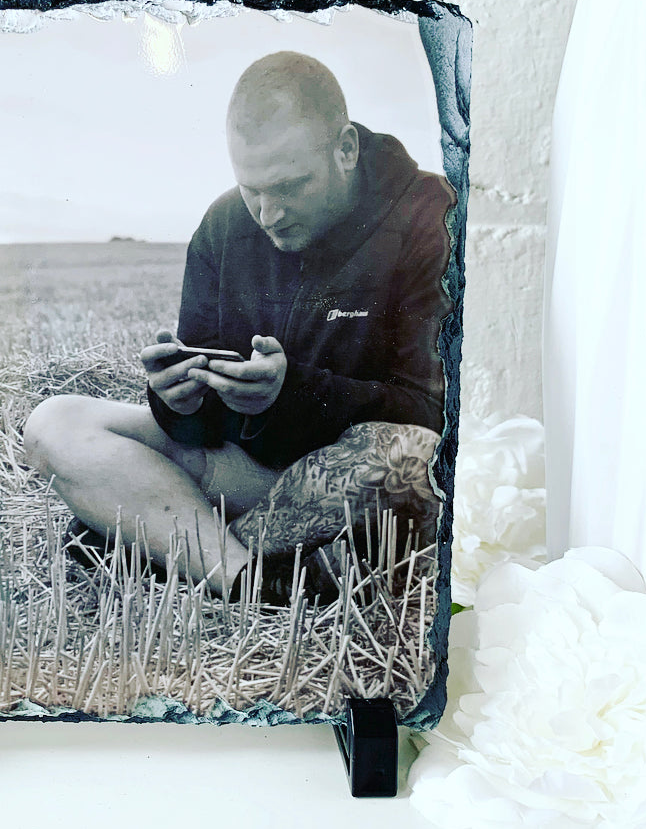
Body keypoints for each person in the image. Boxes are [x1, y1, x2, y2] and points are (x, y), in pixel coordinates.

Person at [24, 51, 454, 604]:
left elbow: (438, 411)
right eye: (252, 189)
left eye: (290, 186)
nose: (268, 214)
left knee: (409, 457)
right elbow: (201, 427)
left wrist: (288, 395)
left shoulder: (432, 216)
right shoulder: (224, 223)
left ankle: (152, 541)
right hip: (239, 471)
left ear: (345, 149)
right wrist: (177, 402)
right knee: (55, 422)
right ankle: (247, 579)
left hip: (350, 476)